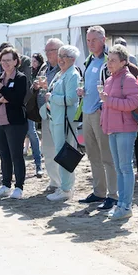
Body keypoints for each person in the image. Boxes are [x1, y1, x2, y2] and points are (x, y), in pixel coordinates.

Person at [98, 44, 138, 220]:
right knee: (119, 168)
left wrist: (109, 100)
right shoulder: (110, 80)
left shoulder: (128, 79)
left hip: (125, 129)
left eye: (113, 60)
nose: (109, 63)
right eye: (109, 60)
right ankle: (121, 204)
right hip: (113, 128)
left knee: (125, 168)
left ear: (124, 62)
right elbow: (108, 105)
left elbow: (133, 104)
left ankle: (126, 205)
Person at [78, 26, 117, 210]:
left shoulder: (110, 59)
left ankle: (113, 194)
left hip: (101, 112)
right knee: (93, 154)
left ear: (103, 39)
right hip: (87, 110)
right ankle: (99, 191)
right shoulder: (89, 60)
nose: (90, 43)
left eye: (93, 40)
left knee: (107, 156)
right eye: (88, 40)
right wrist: (82, 90)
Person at [0, 47, 30, 198]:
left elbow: (18, 100)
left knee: (16, 154)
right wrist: (0, 98)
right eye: (3, 60)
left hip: (15, 122)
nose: (5, 63)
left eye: (9, 60)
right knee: (4, 154)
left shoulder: (21, 78)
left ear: (16, 61)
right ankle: (5, 184)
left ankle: (19, 187)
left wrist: (2, 89)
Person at [45, 45, 82, 201]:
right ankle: (63, 186)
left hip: (65, 121)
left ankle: (66, 189)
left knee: (64, 154)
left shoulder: (73, 75)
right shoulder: (61, 73)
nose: (60, 59)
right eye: (59, 55)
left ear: (72, 59)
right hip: (56, 118)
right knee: (60, 153)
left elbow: (71, 100)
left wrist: (51, 98)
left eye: (64, 56)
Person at [35, 39, 63, 192]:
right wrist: (37, 86)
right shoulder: (45, 67)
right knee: (48, 149)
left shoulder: (65, 67)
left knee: (60, 148)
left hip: (59, 114)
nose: (47, 54)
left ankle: (62, 182)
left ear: (59, 50)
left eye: (50, 50)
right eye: (46, 51)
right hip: (45, 113)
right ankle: (54, 180)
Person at [24, 52, 45, 178]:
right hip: (21, 106)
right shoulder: (28, 72)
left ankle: (38, 165)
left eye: (35, 61)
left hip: (31, 107)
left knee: (32, 133)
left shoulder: (40, 72)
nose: (33, 64)